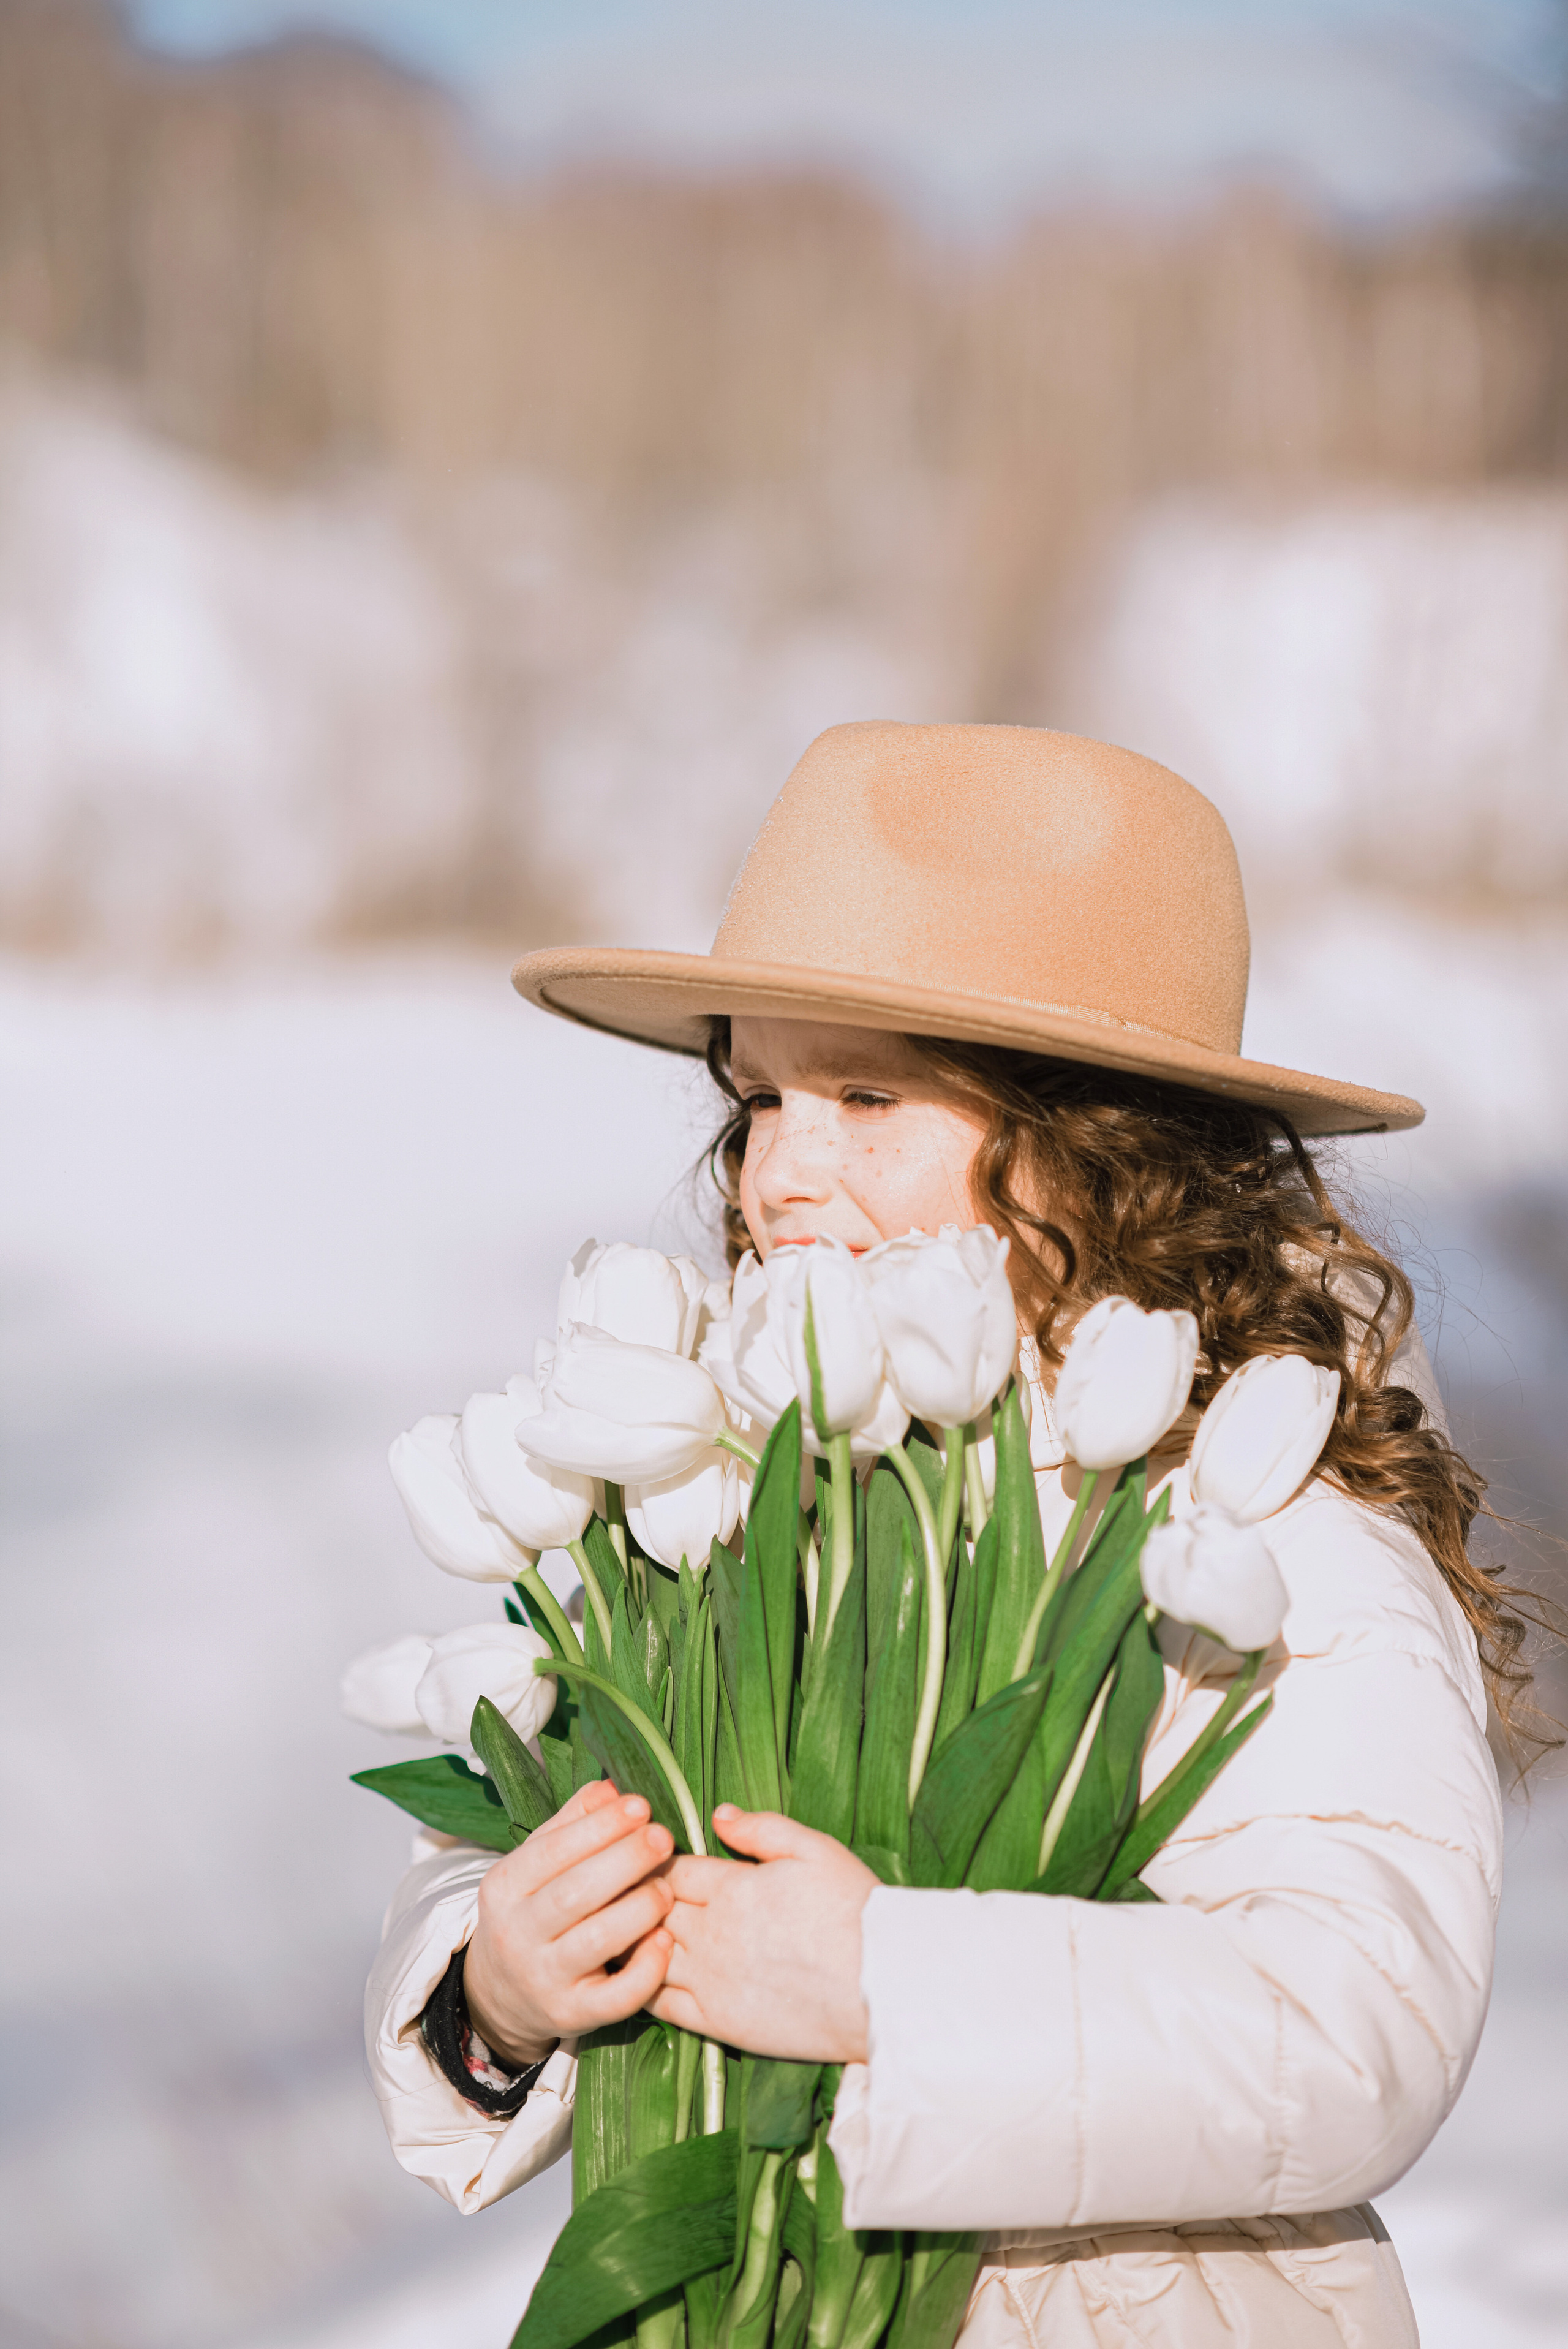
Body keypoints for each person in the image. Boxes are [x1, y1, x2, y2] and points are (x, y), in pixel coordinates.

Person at [366, 722, 1529, 2347]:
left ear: (1106, 1149)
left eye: (866, 1094)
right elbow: (497, 1850)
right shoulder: (700, 1495)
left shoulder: (1264, 1538)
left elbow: (1356, 2027)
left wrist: (884, 1984)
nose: (783, 1169)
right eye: (760, 1093)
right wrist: (499, 1987)